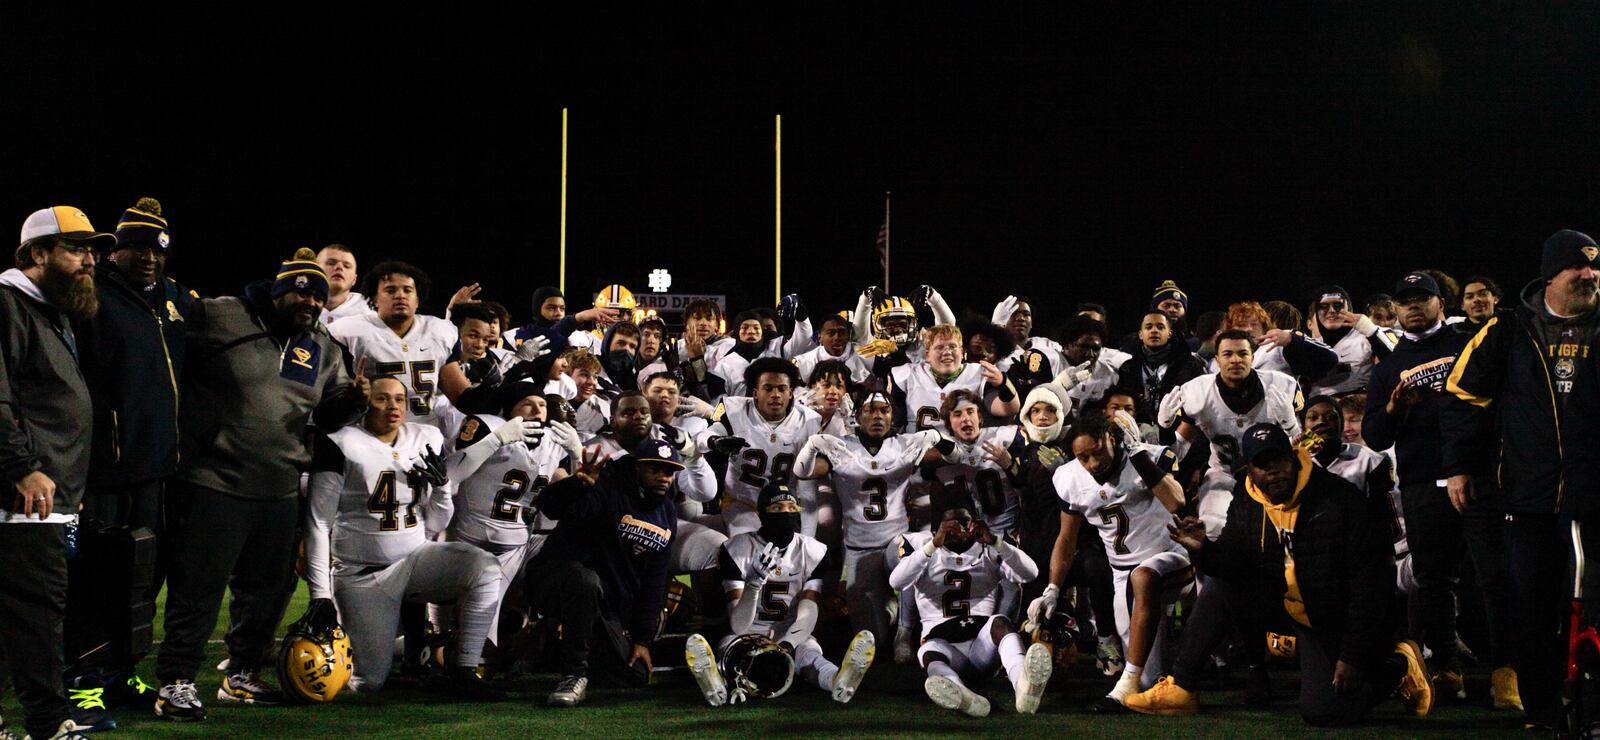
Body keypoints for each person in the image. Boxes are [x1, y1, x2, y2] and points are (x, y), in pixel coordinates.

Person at [154, 248, 366, 721]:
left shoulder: (324, 347)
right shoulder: (224, 315)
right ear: (277, 290)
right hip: (214, 477)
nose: (310, 302)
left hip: (278, 484)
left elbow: (326, 414)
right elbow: (167, 341)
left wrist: (353, 400)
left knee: (267, 590)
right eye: (301, 292)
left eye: (318, 297)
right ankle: (176, 680)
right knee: (199, 587)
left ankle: (241, 674)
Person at [1128, 423, 1433, 726]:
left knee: (1324, 712)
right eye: (1262, 464)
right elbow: (1234, 564)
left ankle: (1399, 665)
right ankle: (1182, 685)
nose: (1273, 470)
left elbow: (1371, 585)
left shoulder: (1339, 499)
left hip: (1332, 619)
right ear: (1249, 470)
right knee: (1221, 585)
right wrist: (1204, 549)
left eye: (1279, 460)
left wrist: (1353, 654)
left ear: (1293, 457)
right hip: (1287, 604)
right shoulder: (1248, 498)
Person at [1441, 229, 1600, 730]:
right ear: (1551, 274)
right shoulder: (1506, 330)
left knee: (1595, 607)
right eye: (1579, 266)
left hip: (1596, 498)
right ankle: (1544, 709)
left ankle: (1593, 707)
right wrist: (1460, 467)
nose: (1590, 274)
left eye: (1596, 266)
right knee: (1529, 608)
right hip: (1526, 497)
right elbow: (1463, 397)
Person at [66, 198, 196, 718]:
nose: (148, 257)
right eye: (137, 247)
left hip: (159, 471)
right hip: (104, 471)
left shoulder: (174, 300)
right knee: (92, 582)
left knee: (142, 582)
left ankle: (120, 675)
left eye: (157, 249)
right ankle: (80, 681)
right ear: (115, 249)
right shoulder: (90, 297)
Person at [1361, 271, 1516, 706]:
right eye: (1405, 300)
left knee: (1494, 574)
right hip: (1422, 479)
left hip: (1479, 473)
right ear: (1395, 309)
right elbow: (1375, 436)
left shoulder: (1467, 342)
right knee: (1433, 579)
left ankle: (1508, 669)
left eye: (1422, 299)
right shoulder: (1388, 366)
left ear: (1440, 304)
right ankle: (1447, 666)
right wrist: (1392, 408)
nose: (1413, 307)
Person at [305, 375, 503, 698]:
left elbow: (436, 521)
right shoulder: (341, 442)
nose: (393, 406)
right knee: (368, 683)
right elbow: (317, 523)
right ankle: (380, 645)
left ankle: (464, 670)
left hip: (414, 559)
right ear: (366, 403)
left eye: (399, 399)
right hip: (361, 575)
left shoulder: (425, 437)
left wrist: (441, 489)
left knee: (484, 567)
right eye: (382, 399)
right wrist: (320, 594)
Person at [0, 206, 108, 740]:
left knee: (20, 615)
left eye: (91, 249)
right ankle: (48, 723)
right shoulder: (7, 304)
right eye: (77, 248)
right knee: (38, 612)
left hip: (50, 491)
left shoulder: (49, 308)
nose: (91, 260)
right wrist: (24, 468)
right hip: (22, 494)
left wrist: (68, 484)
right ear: (38, 254)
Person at [1031, 413, 1189, 713]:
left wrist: (1139, 454)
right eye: (1083, 457)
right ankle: (1168, 675)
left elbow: (1176, 502)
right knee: (1147, 681)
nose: (1092, 464)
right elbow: (1067, 538)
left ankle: (1127, 685)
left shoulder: (1150, 456)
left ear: (1112, 439)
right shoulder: (1068, 477)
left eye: (1098, 452)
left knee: (1144, 576)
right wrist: (1052, 587)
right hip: (1122, 573)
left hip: (1172, 561)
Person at [683, 483, 876, 706]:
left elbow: (808, 612)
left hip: (790, 630)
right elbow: (738, 624)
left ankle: (837, 680)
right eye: (778, 508)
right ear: (761, 513)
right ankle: (716, 684)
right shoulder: (736, 548)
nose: (786, 513)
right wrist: (754, 584)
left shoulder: (813, 550)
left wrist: (787, 645)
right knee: (732, 652)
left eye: (791, 506)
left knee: (810, 654)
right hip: (747, 631)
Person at [522, 439, 682, 707]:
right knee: (585, 581)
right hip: (555, 582)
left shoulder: (667, 513)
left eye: (669, 471)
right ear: (637, 468)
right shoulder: (606, 488)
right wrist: (577, 485)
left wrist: (641, 639)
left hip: (604, 606)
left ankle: (551, 645)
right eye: (655, 469)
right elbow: (550, 506)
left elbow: (655, 579)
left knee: (635, 674)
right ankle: (574, 674)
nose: (663, 477)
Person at [792, 392, 943, 644]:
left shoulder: (904, 444)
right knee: (872, 638)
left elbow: (954, 455)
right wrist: (811, 446)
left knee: (916, 559)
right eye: (870, 410)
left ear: (892, 416)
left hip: (896, 542)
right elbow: (803, 472)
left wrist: (939, 437)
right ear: (857, 416)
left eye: (884, 410)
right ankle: (890, 608)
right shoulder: (840, 447)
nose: (877, 416)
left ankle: (906, 631)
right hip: (860, 548)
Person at [889, 492, 1052, 717]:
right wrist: (933, 545)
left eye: (964, 522)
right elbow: (896, 581)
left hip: (982, 646)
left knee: (1000, 623)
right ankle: (962, 694)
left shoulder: (988, 546)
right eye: (951, 524)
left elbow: (1030, 574)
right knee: (927, 652)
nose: (959, 529)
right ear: (938, 526)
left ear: (974, 521)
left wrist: (995, 541)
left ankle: (1023, 685)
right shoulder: (922, 546)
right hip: (943, 643)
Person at [1158, 328, 1303, 539]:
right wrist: (1165, 429)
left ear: (1253, 357)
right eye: (1228, 354)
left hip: (1273, 474)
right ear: (1216, 359)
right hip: (1224, 474)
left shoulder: (1282, 386)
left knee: (1283, 532)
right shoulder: (1197, 392)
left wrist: (1292, 427)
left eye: (1243, 353)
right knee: (1211, 529)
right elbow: (1176, 452)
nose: (1236, 360)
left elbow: (1303, 451)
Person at [697, 358, 823, 535]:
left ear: (791, 394)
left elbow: (808, 489)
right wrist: (714, 441)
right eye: (768, 388)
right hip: (742, 502)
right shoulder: (734, 409)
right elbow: (704, 437)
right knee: (750, 543)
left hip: (785, 505)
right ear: (755, 393)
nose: (775, 394)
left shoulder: (809, 421)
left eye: (782, 389)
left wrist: (808, 538)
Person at [328, 261, 458, 429]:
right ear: (374, 299)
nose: (400, 296)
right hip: (370, 435)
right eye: (390, 290)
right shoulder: (348, 331)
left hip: (423, 435)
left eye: (407, 290)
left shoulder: (439, 331)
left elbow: (462, 397)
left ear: (417, 299)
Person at [887, 324, 1019, 433]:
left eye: (952, 346)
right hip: (920, 455)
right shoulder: (908, 374)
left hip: (964, 455)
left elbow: (1008, 409)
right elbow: (894, 423)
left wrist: (1003, 382)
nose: (947, 352)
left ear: (962, 352)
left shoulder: (977, 373)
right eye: (939, 347)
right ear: (927, 355)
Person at [1115, 310, 1207, 436]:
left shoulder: (1190, 365)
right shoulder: (1128, 368)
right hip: (1137, 433)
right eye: (1148, 327)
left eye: (1160, 327)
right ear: (1141, 334)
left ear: (1169, 333)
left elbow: (1201, 402)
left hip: (1181, 432)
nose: (1154, 330)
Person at [1304, 285, 1396, 397]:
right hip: (1321, 410)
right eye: (1324, 306)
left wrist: (1372, 332)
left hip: (1362, 408)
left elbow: (1399, 363)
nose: (1332, 311)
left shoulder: (1369, 334)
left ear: (1349, 309)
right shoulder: (1308, 346)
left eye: (1338, 305)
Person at [316, 243, 373, 324]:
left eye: (346, 266)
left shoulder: (370, 310)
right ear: (315, 270)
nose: (339, 267)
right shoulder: (299, 303)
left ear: (354, 279)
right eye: (331, 263)